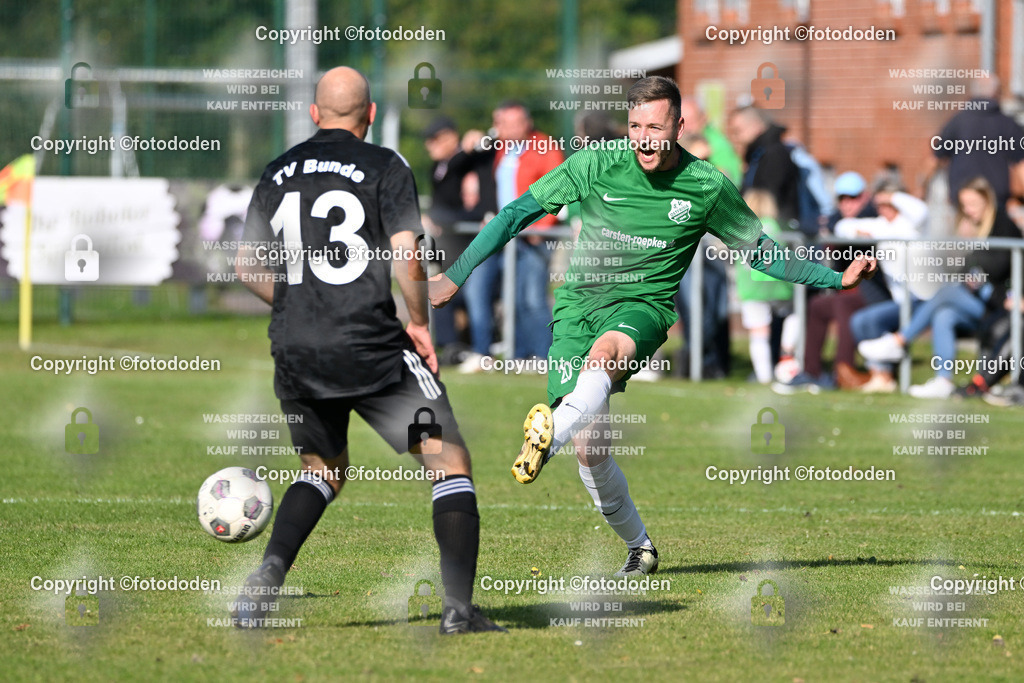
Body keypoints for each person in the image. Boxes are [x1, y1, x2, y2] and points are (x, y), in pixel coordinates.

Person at [429, 76, 876, 576]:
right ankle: (639, 546)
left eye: (655, 128)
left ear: (679, 127)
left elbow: (762, 252)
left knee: (607, 355)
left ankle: (547, 437)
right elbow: (515, 214)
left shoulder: (706, 185)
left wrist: (835, 278)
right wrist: (454, 274)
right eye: (635, 125)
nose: (643, 138)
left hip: (643, 307)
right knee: (590, 447)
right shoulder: (594, 164)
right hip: (577, 308)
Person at [233, 66, 503, 634]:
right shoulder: (385, 165)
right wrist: (421, 322)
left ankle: (265, 580)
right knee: (446, 460)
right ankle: (458, 611)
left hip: (297, 346)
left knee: (322, 468)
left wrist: (299, 305)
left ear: (314, 113)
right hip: (370, 345)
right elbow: (406, 252)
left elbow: (245, 266)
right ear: (371, 114)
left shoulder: (277, 170)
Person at [859, 176, 1022, 398]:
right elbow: (966, 271)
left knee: (946, 292)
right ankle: (943, 380)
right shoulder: (975, 228)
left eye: (973, 204)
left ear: (987, 201)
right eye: (964, 206)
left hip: (1000, 305)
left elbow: (994, 267)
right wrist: (970, 258)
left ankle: (899, 340)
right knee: (944, 314)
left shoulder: (1002, 224)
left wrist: (972, 261)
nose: (969, 210)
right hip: (980, 303)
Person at [460, 101, 563, 366]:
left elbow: (560, 189)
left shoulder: (545, 147)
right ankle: (513, 355)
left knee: (531, 297)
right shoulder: (499, 148)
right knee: (506, 296)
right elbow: (468, 159)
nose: (508, 129)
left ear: (527, 123)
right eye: (503, 124)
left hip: (533, 236)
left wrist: (542, 227)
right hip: (504, 234)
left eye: (514, 123)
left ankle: (541, 356)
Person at [922, 76, 1024, 210]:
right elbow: (1021, 165)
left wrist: (921, 188)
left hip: (963, 199)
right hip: (995, 200)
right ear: (996, 93)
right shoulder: (1008, 124)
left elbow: (935, 159)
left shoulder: (958, 121)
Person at [735, 189, 795, 384]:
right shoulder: (775, 226)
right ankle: (787, 352)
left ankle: (764, 378)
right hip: (777, 285)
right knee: (794, 313)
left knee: (759, 333)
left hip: (751, 287)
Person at [729, 106, 800, 228]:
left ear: (755, 125)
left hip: (774, 227)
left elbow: (770, 195)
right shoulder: (756, 154)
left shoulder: (774, 153)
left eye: (738, 131)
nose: (736, 137)